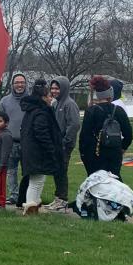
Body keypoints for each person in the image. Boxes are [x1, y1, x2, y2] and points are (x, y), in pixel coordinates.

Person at [18, 79, 63, 215]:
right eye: (49, 96)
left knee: (39, 178)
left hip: (32, 150)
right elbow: (41, 132)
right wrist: (51, 148)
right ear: (43, 97)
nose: (51, 98)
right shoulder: (41, 112)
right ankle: (30, 206)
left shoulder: (32, 110)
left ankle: (35, 203)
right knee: (36, 180)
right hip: (37, 151)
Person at [79, 75, 133, 179]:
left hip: (95, 153)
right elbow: (129, 135)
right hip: (114, 153)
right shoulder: (118, 110)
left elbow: (84, 137)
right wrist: (122, 148)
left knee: (97, 184)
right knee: (114, 182)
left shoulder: (91, 111)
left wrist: (84, 155)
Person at [44, 76, 81, 212]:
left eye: (57, 88)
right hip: (57, 144)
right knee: (57, 171)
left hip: (64, 144)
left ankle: (62, 199)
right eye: (52, 88)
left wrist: (65, 141)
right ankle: (58, 198)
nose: (54, 91)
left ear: (64, 88)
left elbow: (74, 124)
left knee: (61, 170)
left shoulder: (69, 104)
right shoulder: (56, 103)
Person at [0, 73, 28, 204]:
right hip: (10, 142)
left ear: (25, 84)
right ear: (12, 85)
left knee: (27, 172)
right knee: (11, 171)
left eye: (22, 82)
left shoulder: (31, 100)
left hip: (27, 142)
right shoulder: (5, 101)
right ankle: (13, 195)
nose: (20, 85)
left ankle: (25, 196)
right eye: (17, 82)